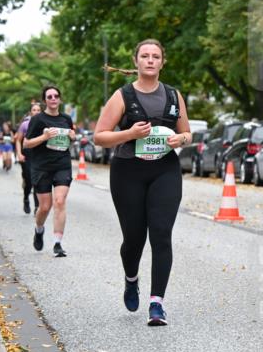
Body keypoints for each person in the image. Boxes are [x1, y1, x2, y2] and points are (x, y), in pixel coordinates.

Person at [94, 39, 192, 327]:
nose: (150, 60)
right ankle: (131, 278)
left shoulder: (174, 95)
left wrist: (180, 140)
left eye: (156, 56)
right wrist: (129, 135)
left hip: (165, 170)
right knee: (134, 239)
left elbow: (187, 134)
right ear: (136, 62)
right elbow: (99, 136)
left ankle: (157, 304)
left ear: (163, 62)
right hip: (128, 172)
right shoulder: (122, 96)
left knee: (161, 234)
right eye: (145, 56)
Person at [24, 86, 76, 258]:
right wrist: (44, 137)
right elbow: (27, 144)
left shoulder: (66, 119)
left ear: (60, 99)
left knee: (60, 201)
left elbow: (69, 141)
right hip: (42, 167)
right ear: (45, 100)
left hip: (62, 164)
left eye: (56, 96)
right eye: (49, 96)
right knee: (45, 207)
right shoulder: (38, 120)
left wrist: (72, 138)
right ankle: (39, 230)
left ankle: (57, 243)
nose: (53, 99)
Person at [16, 102, 42, 214]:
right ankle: (26, 198)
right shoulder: (25, 124)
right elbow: (18, 140)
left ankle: (37, 207)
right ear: (30, 112)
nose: (36, 112)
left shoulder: (44, 123)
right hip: (27, 154)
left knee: (37, 180)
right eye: (34, 110)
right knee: (29, 180)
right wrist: (19, 154)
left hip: (39, 155)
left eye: (38, 110)